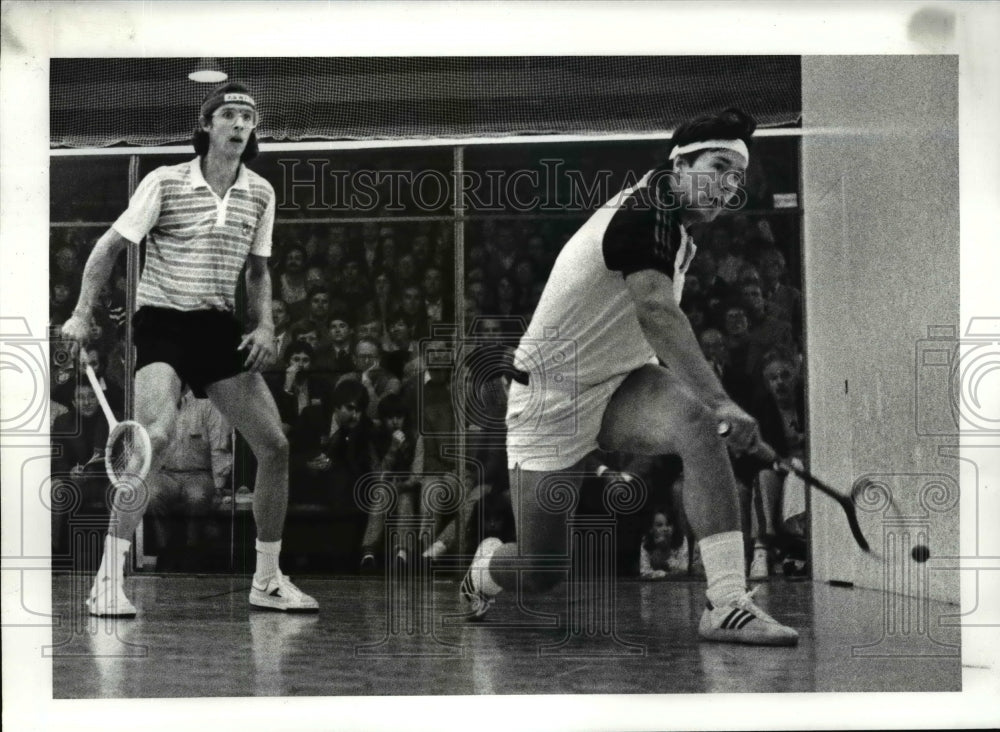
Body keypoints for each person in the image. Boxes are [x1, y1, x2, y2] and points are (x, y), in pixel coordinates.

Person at [460, 108, 797, 645]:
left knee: (697, 423)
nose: (729, 186)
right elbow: (656, 313)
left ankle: (727, 602)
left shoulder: (679, 230)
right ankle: (483, 572)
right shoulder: (647, 211)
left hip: (620, 382)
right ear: (679, 163)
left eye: (737, 176)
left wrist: (710, 407)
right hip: (549, 399)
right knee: (543, 569)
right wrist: (725, 401)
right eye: (718, 166)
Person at [60, 82, 318, 615]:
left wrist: (265, 324)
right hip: (162, 323)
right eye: (228, 114)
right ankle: (107, 581)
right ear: (206, 126)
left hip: (218, 327)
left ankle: (267, 579)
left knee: (274, 447)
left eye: (248, 115)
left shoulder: (260, 192)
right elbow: (109, 246)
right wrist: (83, 312)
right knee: (155, 436)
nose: (240, 123)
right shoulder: (165, 181)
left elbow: (258, 269)